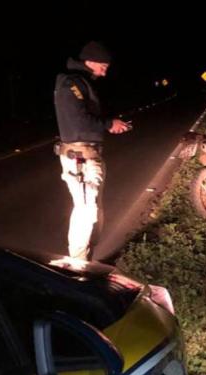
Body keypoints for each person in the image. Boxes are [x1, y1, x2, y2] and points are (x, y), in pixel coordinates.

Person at [53, 41, 131, 262]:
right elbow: (79, 123)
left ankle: (88, 258)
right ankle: (77, 266)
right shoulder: (72, 84)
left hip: (90, 156)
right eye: (103, 67)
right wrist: (108, 124)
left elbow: (88, 120)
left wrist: (110, 123)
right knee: (86, 211)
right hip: (80, 158)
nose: (104, 73)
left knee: (94, 209)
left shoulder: (84, 83)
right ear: (91, 61)